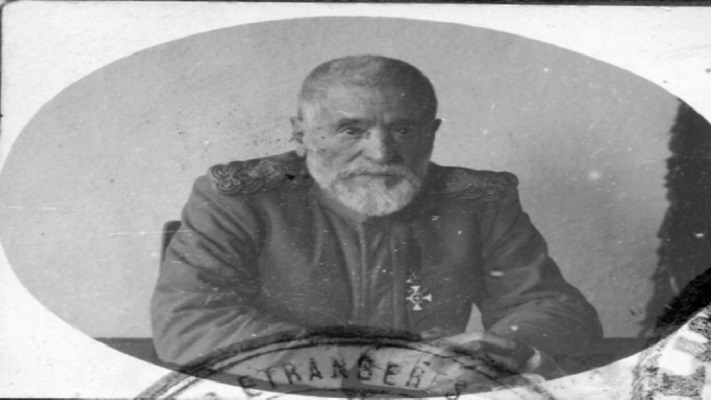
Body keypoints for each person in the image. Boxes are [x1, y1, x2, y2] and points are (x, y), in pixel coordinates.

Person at [151, 55, 603, 378]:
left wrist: (508, 348)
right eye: (351, 130)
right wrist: (375, 363)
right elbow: (191, 323)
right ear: (301, 134)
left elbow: (550, 306)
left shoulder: (479, 201)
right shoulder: (239, 197)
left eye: (404, 129)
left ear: (432, 133)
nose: (382, 153)